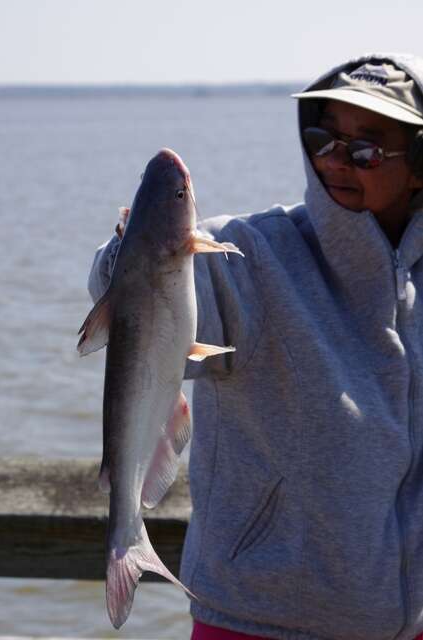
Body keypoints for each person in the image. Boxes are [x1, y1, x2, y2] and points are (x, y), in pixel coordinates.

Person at [87, 53, 423, 640]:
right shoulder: (250, 253)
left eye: (366, 149)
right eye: (323, 139)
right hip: (254, 621)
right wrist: (129, 251)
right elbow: (134, 299)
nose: (337, 161)